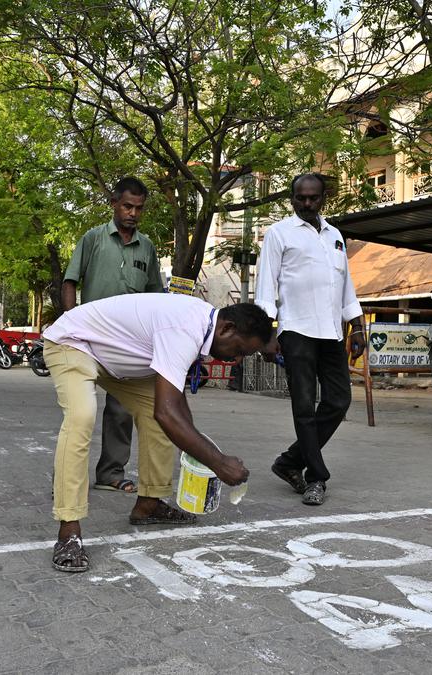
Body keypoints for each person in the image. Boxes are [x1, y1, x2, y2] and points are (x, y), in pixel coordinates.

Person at [42, 295, 271, 573]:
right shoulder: (185, 329)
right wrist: (218, 462)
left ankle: (149, 504)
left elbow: (175, 406)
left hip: (115, 358)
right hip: (73, 342)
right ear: (227, 329)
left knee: (160, 418)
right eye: (240, 351)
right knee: (82, 416)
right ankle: (69, 530)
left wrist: (199, 446)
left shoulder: (202, 328)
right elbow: (168, 412)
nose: (236, 359)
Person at [254, 173, 366, 507]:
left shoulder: (335, 236)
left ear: (323, 198)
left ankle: (289, 461)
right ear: (292, 199)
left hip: (332, 331)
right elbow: (265, 287)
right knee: (303, 407)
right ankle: (316, 478)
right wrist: (266, 334)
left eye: (313, 198)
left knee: (339, 401)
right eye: (300, 198)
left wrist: (357, 326)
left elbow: (345, 285)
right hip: (296, 330)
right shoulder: (278, 234)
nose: (306, 203)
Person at [61, 176, 165, 495]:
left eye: (139, 208)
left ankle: (110, 472)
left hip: (128, 343)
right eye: (127, 206)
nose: (132, 213)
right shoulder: (93, 239)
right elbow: (70, 282)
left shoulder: (146, 246)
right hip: (88, 336)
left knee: (121, 409)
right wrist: (70, 324)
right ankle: (65, 480)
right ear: (114, 204)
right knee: (79, 410)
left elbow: (155, 295)